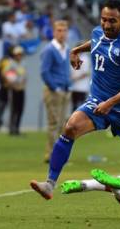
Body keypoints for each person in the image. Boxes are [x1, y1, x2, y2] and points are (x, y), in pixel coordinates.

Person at [30, 0, 120, 200]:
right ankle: (49, 184)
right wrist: (75, 50)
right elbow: (96, 42)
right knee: (70, 128)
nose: (106, 25)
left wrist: (110, 103)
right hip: (97, 101)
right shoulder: (97, 32)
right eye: (103, 20)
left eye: (112, 21)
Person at [40, 20, 72, 163]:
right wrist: (56, 88)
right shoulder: (49, 49)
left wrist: (68, 85)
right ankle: (50, 154)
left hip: (64, 90)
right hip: (54, 91)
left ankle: (58, 154)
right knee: (54, 123)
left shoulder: (66, 48)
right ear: (54, 32)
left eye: (64, 30)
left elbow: (65, 71)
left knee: (62, 125)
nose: (62, 33)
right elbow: (44, 72)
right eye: (59, 30)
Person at [2, 45, 27, 135]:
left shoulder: (23, 64)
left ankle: (17, 128)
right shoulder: (11, 63)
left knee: (20, 109)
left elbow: (25, 76)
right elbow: (4, 74)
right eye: (17, 54)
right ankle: (12, 129)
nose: (19, 56)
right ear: (14, 55)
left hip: (21, 89)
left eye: (20, 54)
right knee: (14, 109)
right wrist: (12, 84)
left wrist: (23, 84)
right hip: (14, 89)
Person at [0, 47, 13, 133]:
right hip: (3, 87)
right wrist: (2, 84)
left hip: (13, 87)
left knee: (13, 107)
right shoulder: (4, 60)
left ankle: (11, 125)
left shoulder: (14, 61)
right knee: (1, 106)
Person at [70, 43, 91, 112]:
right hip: (74, 87)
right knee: (74, 106)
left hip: (82, 88)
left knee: (81, 108)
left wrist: (75, 78)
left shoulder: (85, 58)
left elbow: (86, 73)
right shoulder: (74, 57)